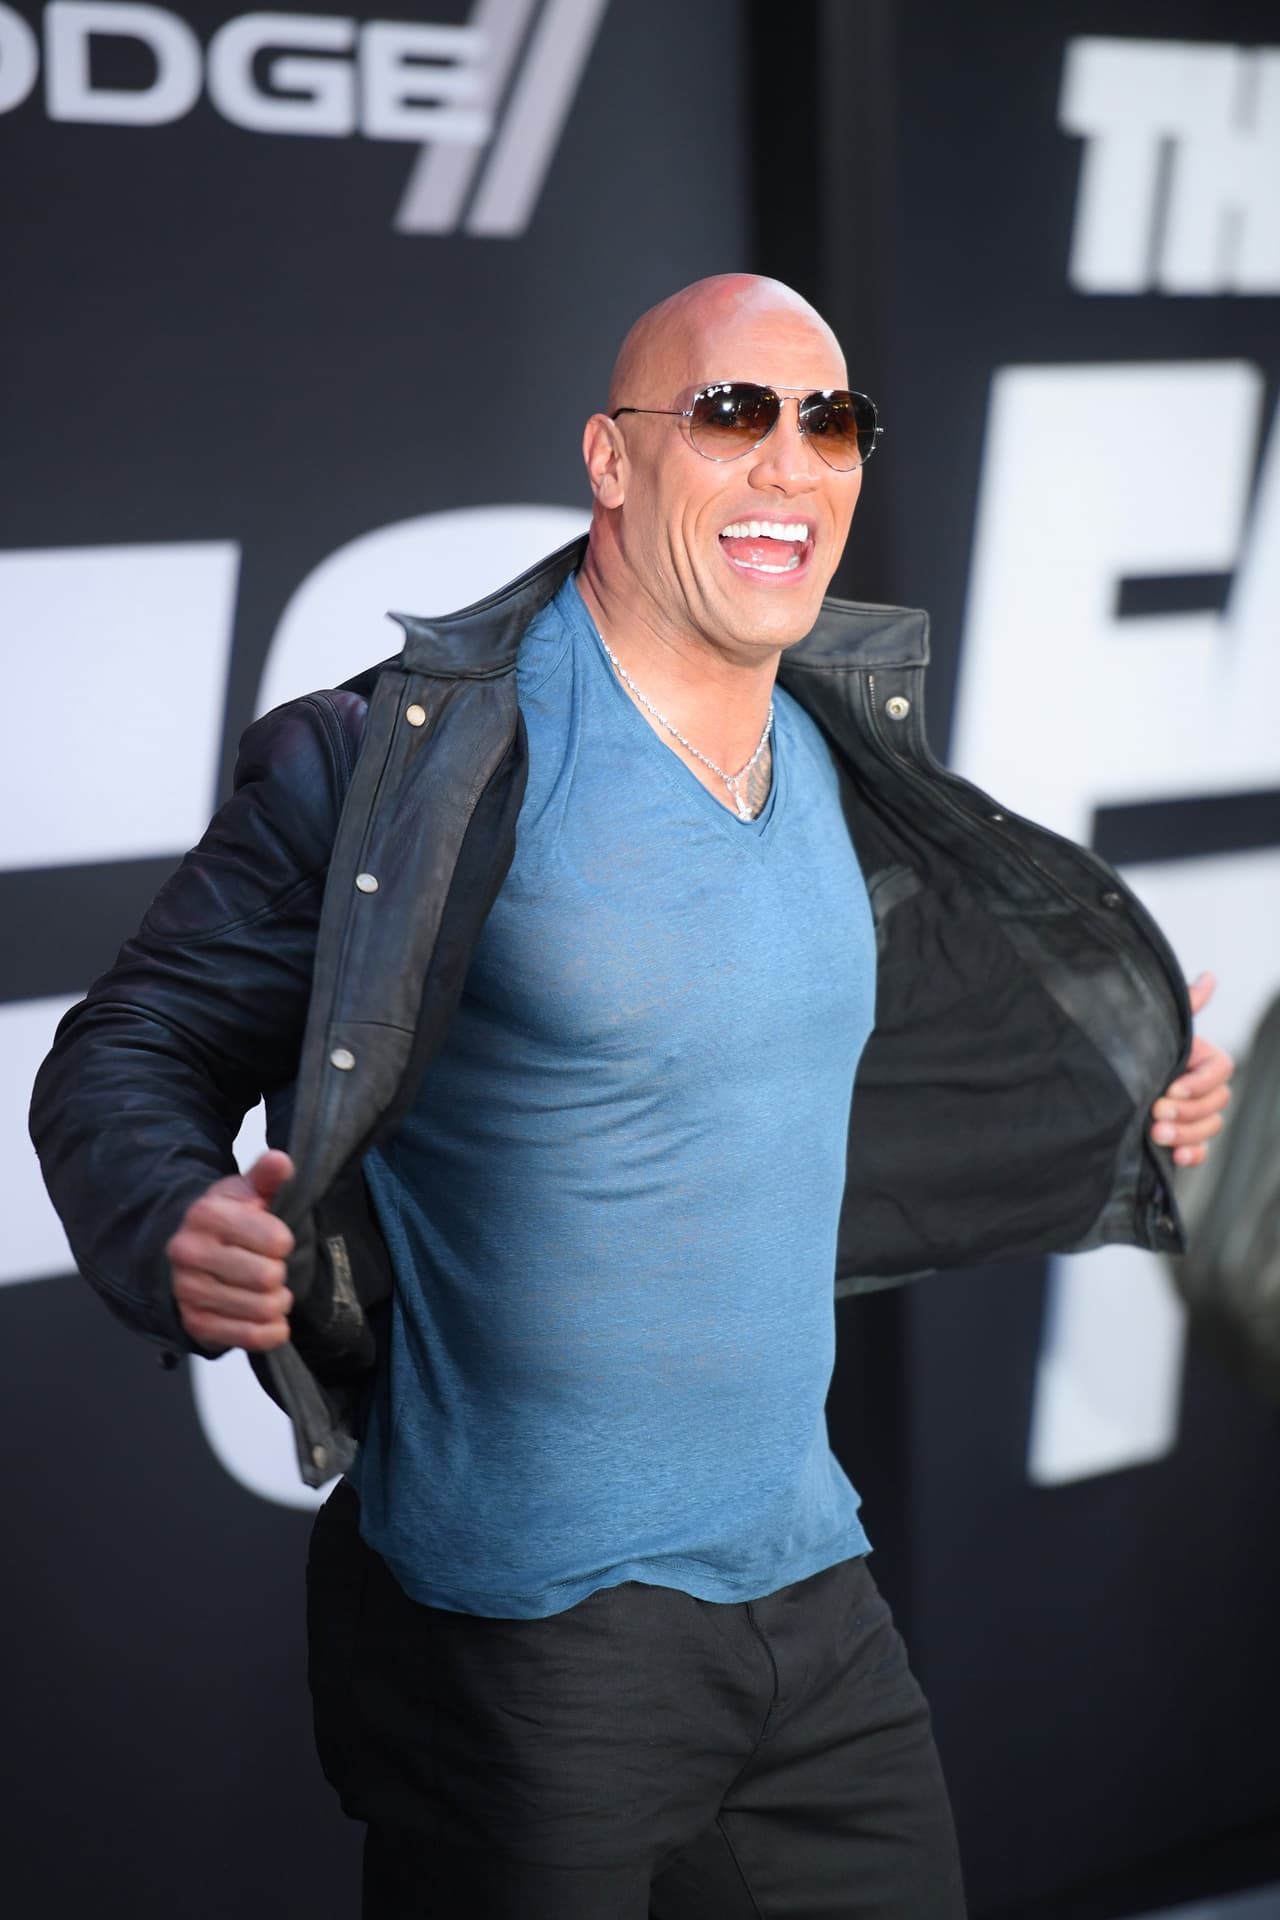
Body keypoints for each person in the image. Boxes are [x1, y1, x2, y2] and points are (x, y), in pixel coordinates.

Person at [31, 275, 1233, 1919]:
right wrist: (170, 1215)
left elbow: (798, 1051)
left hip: (814, 1597)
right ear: (611, 459)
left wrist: (1124, 1095)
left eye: (833, 423)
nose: (790, 464)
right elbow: (133, 1040)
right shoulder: (405, 762)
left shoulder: (843, 752)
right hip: (525, 1652)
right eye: (733, 414)